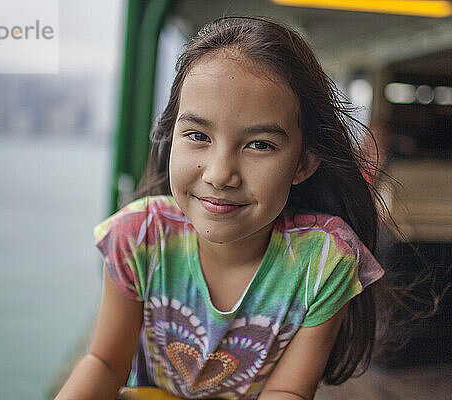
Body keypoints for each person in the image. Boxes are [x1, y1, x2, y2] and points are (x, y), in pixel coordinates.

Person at [56, 16, 387, 400]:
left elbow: (288, 392)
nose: (220, 174)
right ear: (171, 137)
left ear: (303, 163)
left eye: (259, 144)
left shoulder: (324, 262)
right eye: (198, 135)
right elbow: (106, 363)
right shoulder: (138, 236)